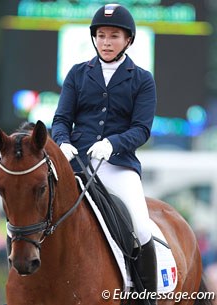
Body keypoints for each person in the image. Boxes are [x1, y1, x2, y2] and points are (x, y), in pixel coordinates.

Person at [51, 3, 157, 303]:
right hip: (77, 161)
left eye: (113, 36)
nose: (106, 42)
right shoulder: (77, 73)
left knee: (140, 226)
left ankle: (144, 296)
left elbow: (141, 129)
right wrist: (62, 141)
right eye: (100, 35)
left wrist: (113, 144)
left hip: (118, 164)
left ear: (128, 40)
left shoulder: (142, 79)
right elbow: (61, 119)